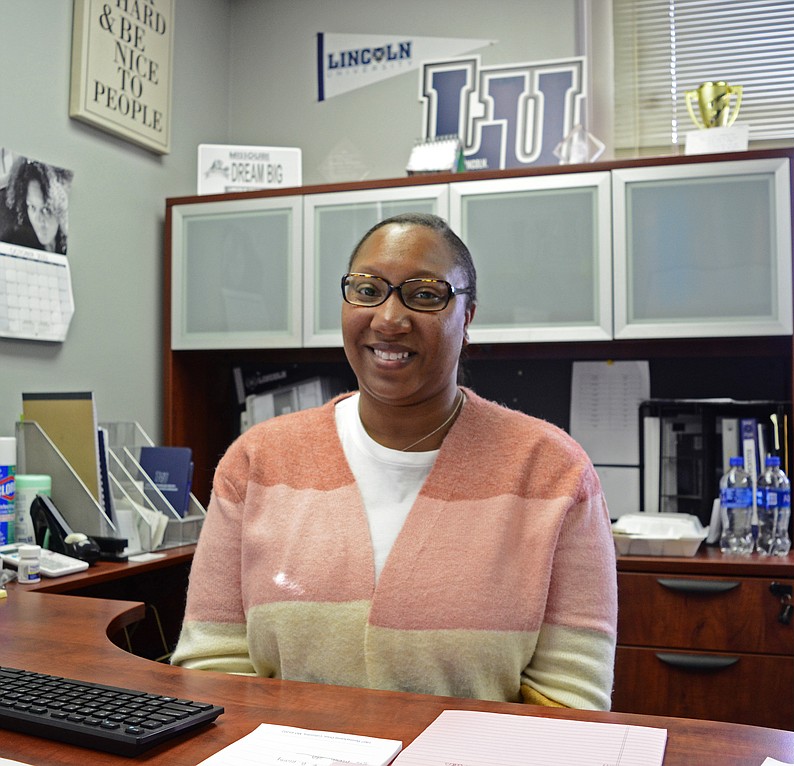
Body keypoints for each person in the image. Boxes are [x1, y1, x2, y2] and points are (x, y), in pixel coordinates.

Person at [171, 212, 618, 710]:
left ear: (466, 318)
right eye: (367, 290)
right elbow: (213, 669)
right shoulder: (256, 463)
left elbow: (569, 700)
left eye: (425, 294)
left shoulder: (553, 473)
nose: (388, 318)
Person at [2, 156, 72, 254]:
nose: (38, 219)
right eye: (32, 207)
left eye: (46, 209)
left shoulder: (72, 241)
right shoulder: (15, 244)